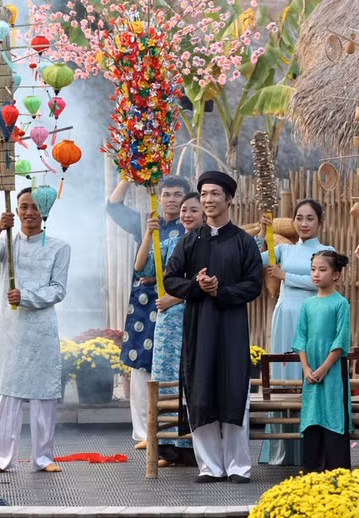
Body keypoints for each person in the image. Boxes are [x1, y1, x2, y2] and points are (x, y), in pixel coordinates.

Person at [163, 171, 263, 484]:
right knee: (200, 389)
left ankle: (238, 466)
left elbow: (254, 285)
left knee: (234, 390)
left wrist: (221, 290)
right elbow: (170, 279)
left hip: (231, 327)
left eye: (215, 194)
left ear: (229, 199)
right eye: (204, 193)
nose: (208, 200)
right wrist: (197, 286)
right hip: (199, 327)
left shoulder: (244, 242)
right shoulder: (189, 240)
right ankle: (209, 466)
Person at [0, 187, 71, 474]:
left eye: (35, 207)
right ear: (15, 211)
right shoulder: (7, 243)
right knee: (6, 391)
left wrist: (25, 296)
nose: (29, 212)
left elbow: (58, 290)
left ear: (45, 211)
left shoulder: (59, 248)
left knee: (44, 394)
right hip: (11, 329)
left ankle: (44, 458)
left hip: (42, 329)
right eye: (23, 206)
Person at [106, 176, 190, 449]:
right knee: (141, 364)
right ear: (159, 197)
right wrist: (128, 175)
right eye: (167, 194)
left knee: (172, 366)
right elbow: (114, 207)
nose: (172, 200)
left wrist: (160, 278)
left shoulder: (190, 227)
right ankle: (143, 433)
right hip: (144, 305)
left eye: (178, 195)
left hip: (176, 304)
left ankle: (170, 432)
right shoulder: (147, 221)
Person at [256, 199, 333, 466]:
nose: (304, 223)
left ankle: (311, 446)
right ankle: (282, 448)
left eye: (310, 218)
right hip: (284, 315)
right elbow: (251, 260)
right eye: (299, 218)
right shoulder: (283, 250)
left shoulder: (327, 251)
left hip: (313, 317)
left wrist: (285, 276)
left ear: (320, 222)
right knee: (284, 375)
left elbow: (321, 281)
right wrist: (261, 233)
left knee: (308, 374)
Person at [133, 193, 204, 468]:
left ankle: (192, 447)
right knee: (166, 380)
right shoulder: (171, 243)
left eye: (193, 210)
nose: (187, 214)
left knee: (191, 380)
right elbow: (141, 268)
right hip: (168, 325)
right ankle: (168, 447)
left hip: (196, 317)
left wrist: (175, 298)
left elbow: (209, 283)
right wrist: (147, 234)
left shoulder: (209, 246)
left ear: (204, 215)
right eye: (184, 210)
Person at [293, 250, 353, 473]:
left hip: (333, 370)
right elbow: (300, 338)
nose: (316, 274)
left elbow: (341, 340)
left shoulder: (341, 303)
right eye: (313, 269)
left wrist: (324, 368)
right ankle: (312, 472)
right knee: (312, 416)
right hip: (311, 372)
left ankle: (337, 473)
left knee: (334, 413)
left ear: (336, 275)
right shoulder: (307, 304)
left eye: (322, 269)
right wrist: (306, 368)